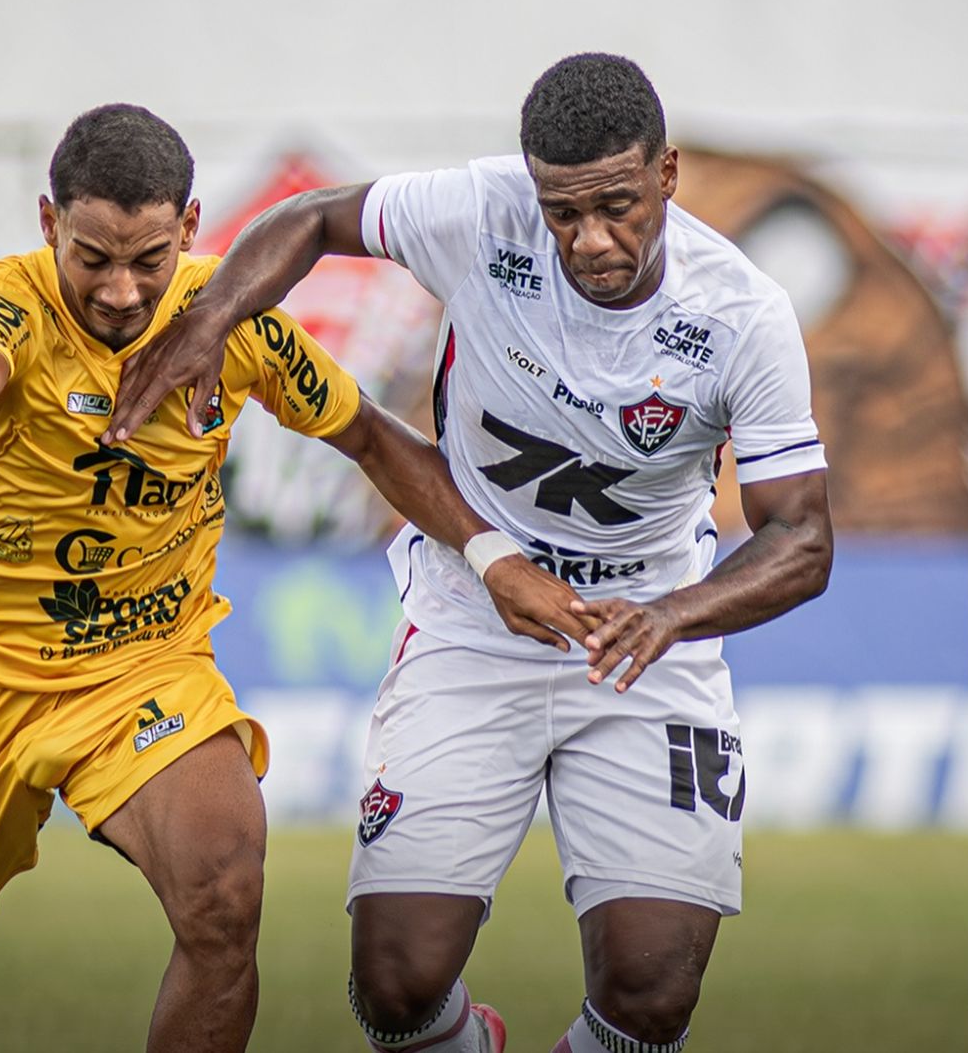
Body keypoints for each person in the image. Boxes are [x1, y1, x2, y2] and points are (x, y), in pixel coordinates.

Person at [107, 55, 834, 1053]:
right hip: (470, 620)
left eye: (618, 205)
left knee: (652, 990)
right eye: (561, 211)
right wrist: (209, 320)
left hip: (642, 642)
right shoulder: (480, 210)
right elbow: (313, 218)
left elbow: (802, 537)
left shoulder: (743, 315)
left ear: (668, 172)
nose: (588, 239)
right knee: (394, 984)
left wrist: (671, 615)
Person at [0, 103, 593, 1053]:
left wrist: (494, 558)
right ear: (46, 224)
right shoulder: (5, 302)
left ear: (191, 230)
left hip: (140, 669)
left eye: (148, 259)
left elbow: (366, 434)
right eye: (92, 257)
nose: (118, 291)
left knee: (226, 897)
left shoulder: (230, 321)